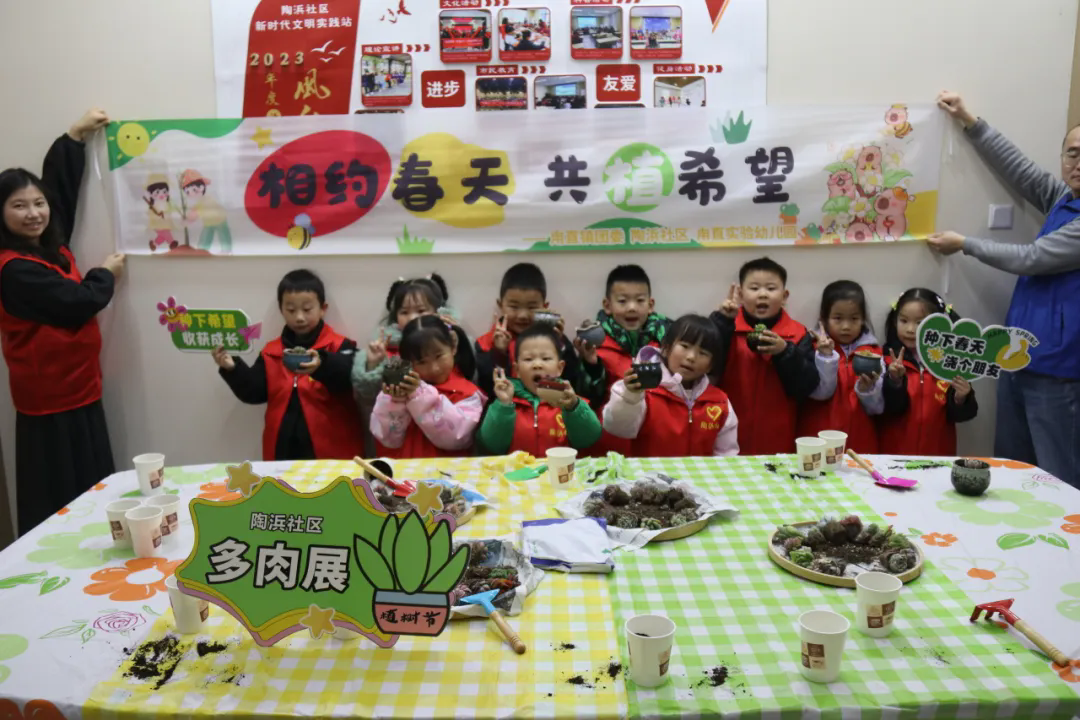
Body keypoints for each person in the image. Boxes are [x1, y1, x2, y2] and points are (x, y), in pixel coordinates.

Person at [928, 90, 1080, 485]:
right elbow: (1024, 172)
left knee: (1057, 476)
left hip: (1060, 370)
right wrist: (970, 122)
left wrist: (965, 244)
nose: (1078, 163)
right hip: (1018, 356)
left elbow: (1032, 258)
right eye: (1073, 153)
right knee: (1015, 470)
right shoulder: (1065, 199)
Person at [0, 109, 122, 533]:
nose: (34, 213)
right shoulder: (14, 269)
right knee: (58, 495)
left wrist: (74, 138)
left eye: (37, 204)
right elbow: (77, 301)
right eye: (19, 206)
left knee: (89, 485)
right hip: (50, 401)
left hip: (79, 388)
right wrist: (106, 273)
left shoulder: (48, 249)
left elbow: (61, 197)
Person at [213, 269, 363, 461]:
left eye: (307, 309)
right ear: (281, 309)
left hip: (332, 454)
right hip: (282, 453)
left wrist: (323, 364)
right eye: (291, 310)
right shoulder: (271, 351)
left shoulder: (340, 345)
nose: (299, 317)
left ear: (323, 308)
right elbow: (254, 392)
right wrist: (232, 368)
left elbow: (354, 375)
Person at [710, 257, 819, 455]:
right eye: (754, 288)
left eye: (770, 288)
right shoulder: (727, 327)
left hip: (779, 438)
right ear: (741, 295)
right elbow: (709, 365)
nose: (762, 295)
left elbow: (807, 386)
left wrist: (784, 351)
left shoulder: (798, 334)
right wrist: (722, 321)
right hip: (726, 437)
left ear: (785, 296)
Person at [603, 314, 738, 457]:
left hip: (699, 477)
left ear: (711, 366)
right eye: (685, 346)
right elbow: (617, 428)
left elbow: (727, 455)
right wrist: (630, 395)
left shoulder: (719, 402)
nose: (691, 357)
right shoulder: (644, 392)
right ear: (666, 349)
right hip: (649, 477)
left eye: (703, 353)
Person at [879, 288, 977, 455]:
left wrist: (962, 398)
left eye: (920, 323)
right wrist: (894, 381)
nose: (910, 329)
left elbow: (962, 415)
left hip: (939, 456)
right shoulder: (887, 359)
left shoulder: (950, 364)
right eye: (903, 321)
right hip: (894, 455)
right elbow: (889, 408)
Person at [370, 316, 485, 458]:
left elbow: (456, 438)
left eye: (439, 356)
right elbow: (387, 439)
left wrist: (419, 395)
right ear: (408, 362)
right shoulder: (403, 390)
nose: (434, 368)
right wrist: (395, 401)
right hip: (408, 474)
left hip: (451, 476)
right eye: (422, 362)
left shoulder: (468, 394)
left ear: (453, 346)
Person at [478, 324, 600, 455]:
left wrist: (574, 406)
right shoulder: (507, 400)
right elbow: (493, 445)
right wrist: (504, 404)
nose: (537, 365)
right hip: (518, 473)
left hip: (560, 472)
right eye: (528, 359)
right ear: (517, 370)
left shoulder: (570, 400)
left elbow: (589, 439)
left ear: (560, 368)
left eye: (546, 358)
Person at [352, 274, 474, 403]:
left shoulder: (450, 340)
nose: (412, 318)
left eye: (421, 311)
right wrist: (373, 365)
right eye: (404, 312)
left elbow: (470, 376)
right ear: (395, 316)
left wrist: (456, 335)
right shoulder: (383, 349)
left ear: (440, 311)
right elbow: (367, 397)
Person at [797, 280, 884, 453]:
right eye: (838, 318)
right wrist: (826, 357)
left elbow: (877, 408)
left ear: (863, 320)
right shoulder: (812, 347)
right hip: (818, 440)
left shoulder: (873, 353)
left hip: (861, 442)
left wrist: (868, 390)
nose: (846, 326)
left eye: (854, 318)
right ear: (823, 319)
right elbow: (821, 393)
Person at [474, 262, 580, 401]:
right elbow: (488, 390)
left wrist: (559, 344)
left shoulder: (557, 339)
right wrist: (499, 353)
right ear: (500, 306)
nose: (523, 315)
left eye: (531, 307)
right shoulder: (485, 344)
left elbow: (573, 382)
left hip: (549, 412)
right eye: (514, 306)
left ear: (544, 307)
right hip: (507, 412)